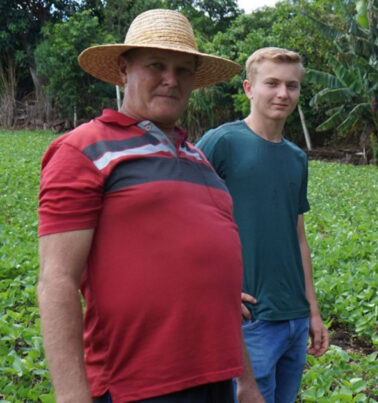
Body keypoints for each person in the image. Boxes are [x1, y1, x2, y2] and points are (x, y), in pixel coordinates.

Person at [36, 9, 264, 403]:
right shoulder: (84, 148)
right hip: (138, 385)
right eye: (156, 65)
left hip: (216, 380)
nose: (171, 79)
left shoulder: (198, 158)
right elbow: (56, 280)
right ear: (124, 70)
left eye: (183, 69)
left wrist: (246, 383)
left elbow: (220, 288)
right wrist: (72, 397)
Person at [196, 47, 329, 403]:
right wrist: (212, 288)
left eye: (292, 85)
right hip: (250, 319)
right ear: (248, 88)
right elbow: (186, 221)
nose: (283, 94)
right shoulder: (221, 142)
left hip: (294, 318)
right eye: (272, 83)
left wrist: (312, 312)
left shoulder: (297, 157)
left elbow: (297, 237)